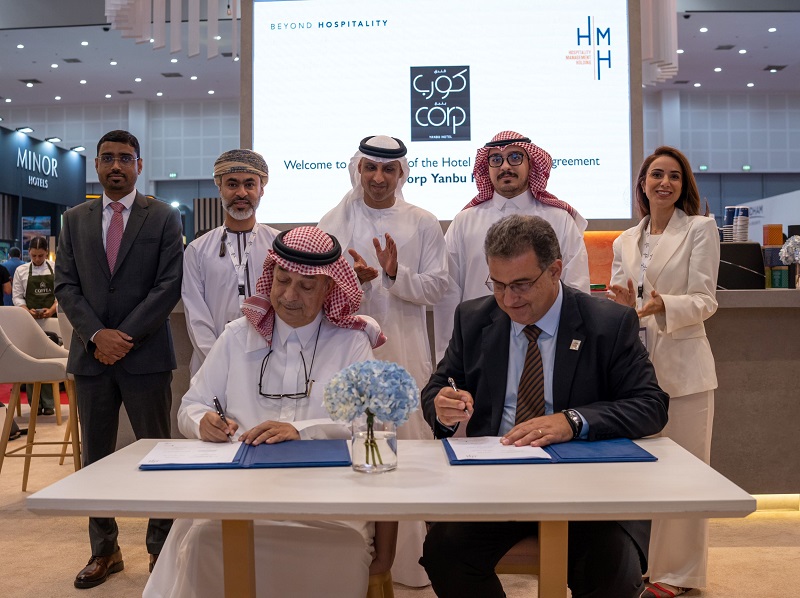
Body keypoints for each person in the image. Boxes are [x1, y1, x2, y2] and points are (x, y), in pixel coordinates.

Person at [420, 214, 669, 598]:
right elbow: (439, 387)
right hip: (496, 486)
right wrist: (443, 407)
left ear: (555, 270)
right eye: (498, 285)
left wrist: (573, 421)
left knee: (613, 570)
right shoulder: (474, 318)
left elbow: (650, 405)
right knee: (444, 553)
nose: (509, 299)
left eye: (521, 284)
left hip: (590, 488)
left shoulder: (607, 323)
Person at [145, 226, 386, 598]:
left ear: (329, 288)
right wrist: (202, 422)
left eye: (306, 286)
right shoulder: (236, 336)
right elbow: (191, 406)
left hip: (328, 497)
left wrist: (302, 431)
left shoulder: (350, 343)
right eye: (282, 280)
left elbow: (373, 426)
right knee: (202, 540)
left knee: (343, 550)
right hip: (238, 493)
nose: (289, 296)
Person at [54, 129, 184, 588]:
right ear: (96, 165)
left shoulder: (163, 216)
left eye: (125, 158)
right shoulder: (74, 219)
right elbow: (65, 285)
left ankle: (160, 548)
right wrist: (96, 335)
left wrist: (122, 337)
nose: (115, 165)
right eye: (107, 158)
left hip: (145, 356)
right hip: (92, 358)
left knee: (158, 455)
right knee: (95, 457)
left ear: (139, 165)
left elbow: (168, 285)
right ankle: (104, 550)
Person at [318, 134, 448, 587]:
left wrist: (393, 274)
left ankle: (410, 564)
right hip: (346, 353)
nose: (378, 177)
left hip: (405, 354)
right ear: (359, 169)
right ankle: (350, 562)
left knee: (408, 451)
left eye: (388, 169)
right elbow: (316, 288)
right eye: (370, 168)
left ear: (400, 173)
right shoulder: (333, 221)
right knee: (350, 445)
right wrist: (349, 281)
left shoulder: (422, 222)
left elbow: (439, 288)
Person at [609, 146, 719, 598]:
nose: (665, 183)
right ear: (643, 183)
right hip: (637, 374)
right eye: (657, 174)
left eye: (674, 176)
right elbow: (622, 300)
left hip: (685, 369)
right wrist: (623, 308)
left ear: (683, 185)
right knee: (646, 474)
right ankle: (649, 564)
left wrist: (663, 306)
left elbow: (706, 300)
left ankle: (680, 574)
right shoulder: (623, 240)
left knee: (687, 474)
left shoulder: (700, 229)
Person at [433, 130, 591, 362]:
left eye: (515, 157)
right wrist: (448, 356)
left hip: (546, 344)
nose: (505, 166)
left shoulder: (559, 219)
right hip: (480, 345)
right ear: (486, 167)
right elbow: (448, 295)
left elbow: (576, 287)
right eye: (496, 159)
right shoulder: (464, 222)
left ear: (531, 163)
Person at [182, 149, 278, 376]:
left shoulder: (278, 245)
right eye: (232, 184)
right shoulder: (197, 249)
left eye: (249, 184)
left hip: (270, 362)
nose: (241, 193)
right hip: (212, 366)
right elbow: (196, 315)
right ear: (220, 188)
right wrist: (219, 362)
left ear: (261, 189)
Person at [12, 236, 58, 414]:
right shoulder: (21, 271)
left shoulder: (55, 268)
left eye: (40, 256)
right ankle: (35, 404)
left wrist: (52, 309)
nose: (37, 259)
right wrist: (26, 310)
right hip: (29, 321)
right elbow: (17, 296)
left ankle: (49, 403)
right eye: (33, 256)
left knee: (49, 360)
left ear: (47, 253)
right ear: (29, 253)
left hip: (51, 322)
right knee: (32, 361)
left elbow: (61, 293)